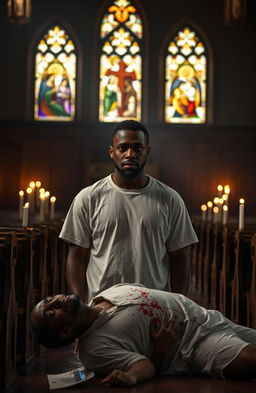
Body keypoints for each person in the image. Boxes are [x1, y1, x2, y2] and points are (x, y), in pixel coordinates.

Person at [59, 120, 198, 302]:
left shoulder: (170, 199)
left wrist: (177, 306)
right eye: (122, 148)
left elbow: (180, 257)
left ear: (147, 151)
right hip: (102, 306)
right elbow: (76, 256)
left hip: (154, 307)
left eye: (138, 148)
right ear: (111, 152)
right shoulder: (88, 198)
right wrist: (79, 303)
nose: (130, 154)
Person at [30, 284, 256, 387]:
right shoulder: (94, 350)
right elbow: (142, 366)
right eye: (51, 312)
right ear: (65, 332)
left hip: (211, 319)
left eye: (49, 299)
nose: (56, 300)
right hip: (196, 345)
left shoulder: (104, 294)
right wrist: (158, 351)